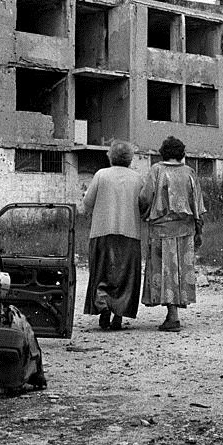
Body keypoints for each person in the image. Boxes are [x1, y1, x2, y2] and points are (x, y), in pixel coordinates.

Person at [140, 136, 206, 332]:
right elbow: (197, 204)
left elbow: (145, 197)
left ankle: (172, 315)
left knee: (165, 271)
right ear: (182, 154)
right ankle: (174, 312)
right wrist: (199, 229)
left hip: (161, 230)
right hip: (185, 230)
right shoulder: (190, 173)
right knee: (180, 271)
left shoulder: (157, 170)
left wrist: (143, 214)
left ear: (163, 152)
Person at [80, 140, 146, 331]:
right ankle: (118, 315)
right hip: (130, 233)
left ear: (110, 156)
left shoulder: (101, 175)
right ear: (130, 159)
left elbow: (88, 202)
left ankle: (103, 309)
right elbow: (144, 206)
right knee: (125, 276)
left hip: (102, 231)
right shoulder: (138, 178)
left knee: (101, 273)